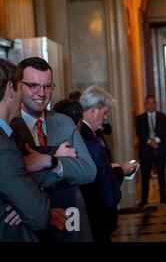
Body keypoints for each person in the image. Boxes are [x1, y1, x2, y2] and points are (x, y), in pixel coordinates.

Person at [10, 57, 96, 241]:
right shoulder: (9, 125)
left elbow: (89, 171)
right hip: (27, 222)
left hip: (69, 219)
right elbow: (10, 177)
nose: (41, 93)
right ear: (18, 86)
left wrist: (55, 163)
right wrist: (26, 200)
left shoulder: (64, 123)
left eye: (47, 86)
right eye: (33, 85)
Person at [53, 96, 135, 242]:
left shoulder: (46, 149)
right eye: (105, 112)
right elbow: (111, 196)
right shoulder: (92, 149)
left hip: (60, 223)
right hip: (93, 224)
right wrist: (119, 170)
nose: (105, 117)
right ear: (78, 122)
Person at [0, 59, 50, 241]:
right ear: (9, 90)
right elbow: (39, 215)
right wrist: (31, 200)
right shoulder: (3, 148)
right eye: (21, 87)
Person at [136, 95, 166, 206]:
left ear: (155, 104)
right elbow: (139, 132)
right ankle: (144, 200)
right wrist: (149, 141)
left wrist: (156, 140)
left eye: (153, 103)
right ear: (145, 105)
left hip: (160, 149)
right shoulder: (140, 118)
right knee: (145, 176)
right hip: (146, 150)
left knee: (161, 174)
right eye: (148, 103)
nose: (151, 105)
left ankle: (164, 198)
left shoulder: (163, 117)